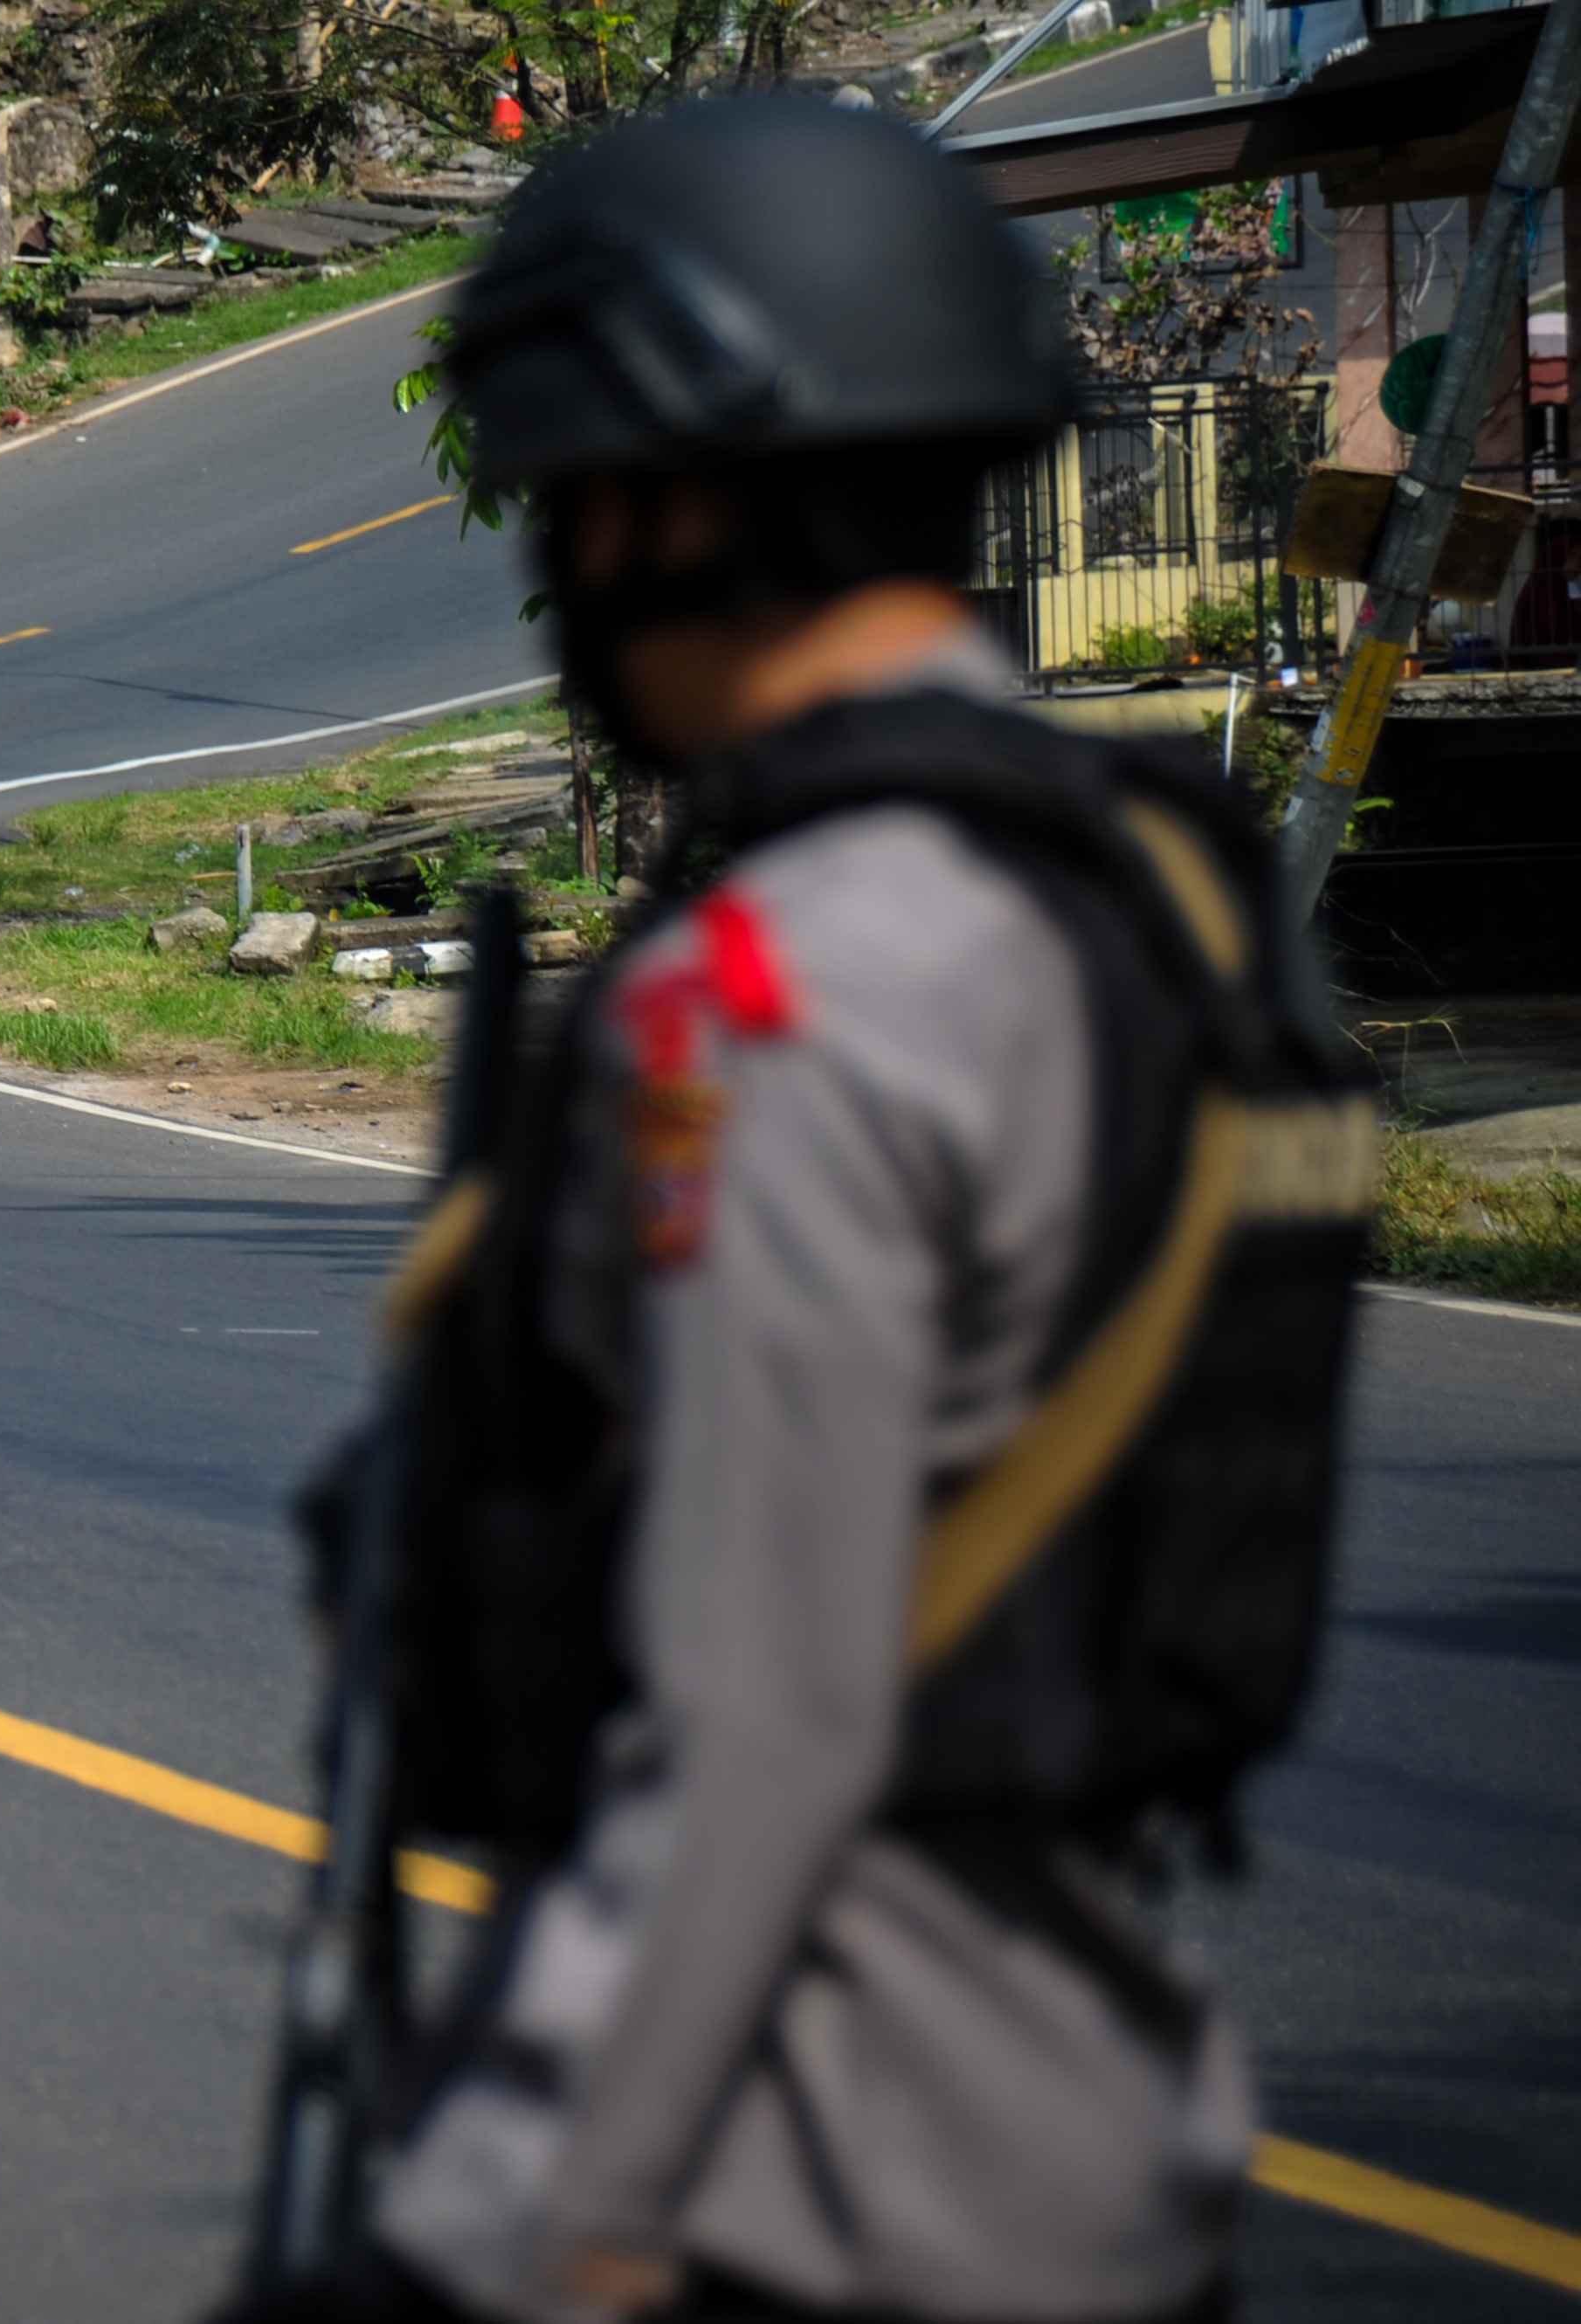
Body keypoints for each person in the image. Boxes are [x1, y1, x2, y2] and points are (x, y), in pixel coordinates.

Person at [225, 99, 1373, 2324]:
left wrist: (521, 2235)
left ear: (670, 500)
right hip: (1086, 2138)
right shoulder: (1146, 893)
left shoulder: (774, 993)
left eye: (565, 504)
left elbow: (763, 1718)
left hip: (792, 2182)